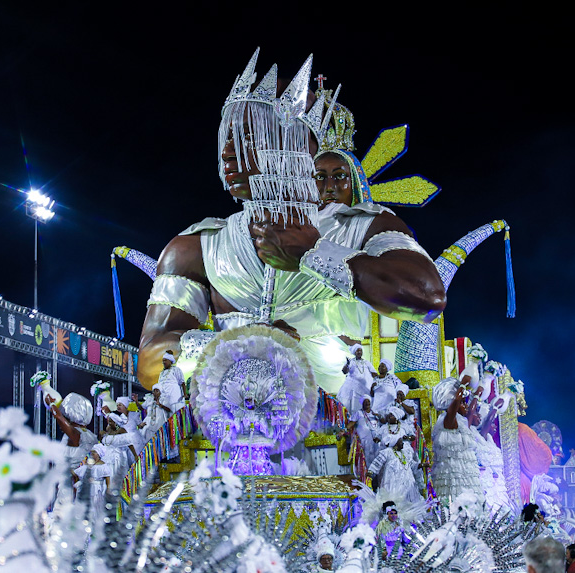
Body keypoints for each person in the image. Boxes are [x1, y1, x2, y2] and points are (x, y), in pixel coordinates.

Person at [137, 51, 446, 395]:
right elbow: (150, 365)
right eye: (226, 136)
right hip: (237, 436)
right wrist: (246, 345)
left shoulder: (361, 225)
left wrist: (314, 254)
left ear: (301, 145)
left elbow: (427, 297)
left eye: (249, 136)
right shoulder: (198, 245)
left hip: (342, 431)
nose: (227, 151)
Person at [430, 377, 484, 504]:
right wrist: (462, 385)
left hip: (467, 475)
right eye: (463, 403)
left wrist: (478, 392)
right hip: (453, 475)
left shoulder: (463, 422)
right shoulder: (448, 420)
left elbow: (470, 410)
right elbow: (456, 401)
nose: (466, 406)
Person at [46, 392, 97, 505]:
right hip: (82, 482)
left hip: (70, 484)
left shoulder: (75, 433)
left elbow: (58, 417)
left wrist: (51, 404)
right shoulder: (90, 435)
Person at [366, 433, 426, 504]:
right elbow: (378, 461)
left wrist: (421, 465)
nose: (403, 443)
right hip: (392, 482)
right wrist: (371, 471)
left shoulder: (404, 453)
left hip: (407, 482)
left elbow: (411, 464)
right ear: (395, 443)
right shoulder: (387, 452)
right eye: (401, 442)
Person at [73, 444, 113, 523]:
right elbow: (77, 473)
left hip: (96, 488)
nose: (92, 454)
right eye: (92, 452)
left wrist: (108, 490)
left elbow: (108, 479)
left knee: (94, 506)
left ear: (98, 454)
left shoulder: (104, 466)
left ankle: (93, 522)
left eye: (94, 452)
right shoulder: (88, 464)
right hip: (86, 487)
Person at [337, 344, 376, 412]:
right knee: (350, 404)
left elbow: (374, 373)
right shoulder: (351, 361)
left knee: (364, 403)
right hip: (352, 386)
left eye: (360, 350)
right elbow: (344, 371)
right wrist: (347, 364)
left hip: (365, 386)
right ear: (355, 352)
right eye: (357, 351)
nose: (359, 352)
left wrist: (378, 380)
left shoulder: (366, 362)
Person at [345, 396, 381, 464]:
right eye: (365, 402)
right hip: (365, 441)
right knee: (367, 459)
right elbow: (351, 423)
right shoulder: (359, 413)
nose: (367, 403)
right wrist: (344, 429)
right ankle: (368, 474)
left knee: (377, 457)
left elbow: (383, 421)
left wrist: (378, 415)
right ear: (362, 404)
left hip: (376, 440)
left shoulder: (375, 412)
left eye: (368, 401)